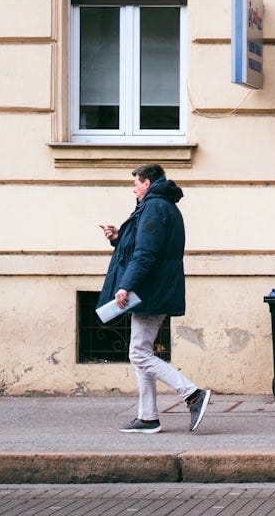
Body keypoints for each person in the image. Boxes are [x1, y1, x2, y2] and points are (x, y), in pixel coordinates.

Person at [97, 164, 211, 434]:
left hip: (150, 290)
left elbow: (146, 254)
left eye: (136, 183)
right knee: (141, 352)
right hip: (154, 288)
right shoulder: (158, 205)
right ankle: (148, 417)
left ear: (147, 183)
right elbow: (143, 244)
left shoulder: (155, 207)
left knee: (138, 353)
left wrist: (126, 285)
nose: (134, 188)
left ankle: (192, 394)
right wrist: (119, 237)